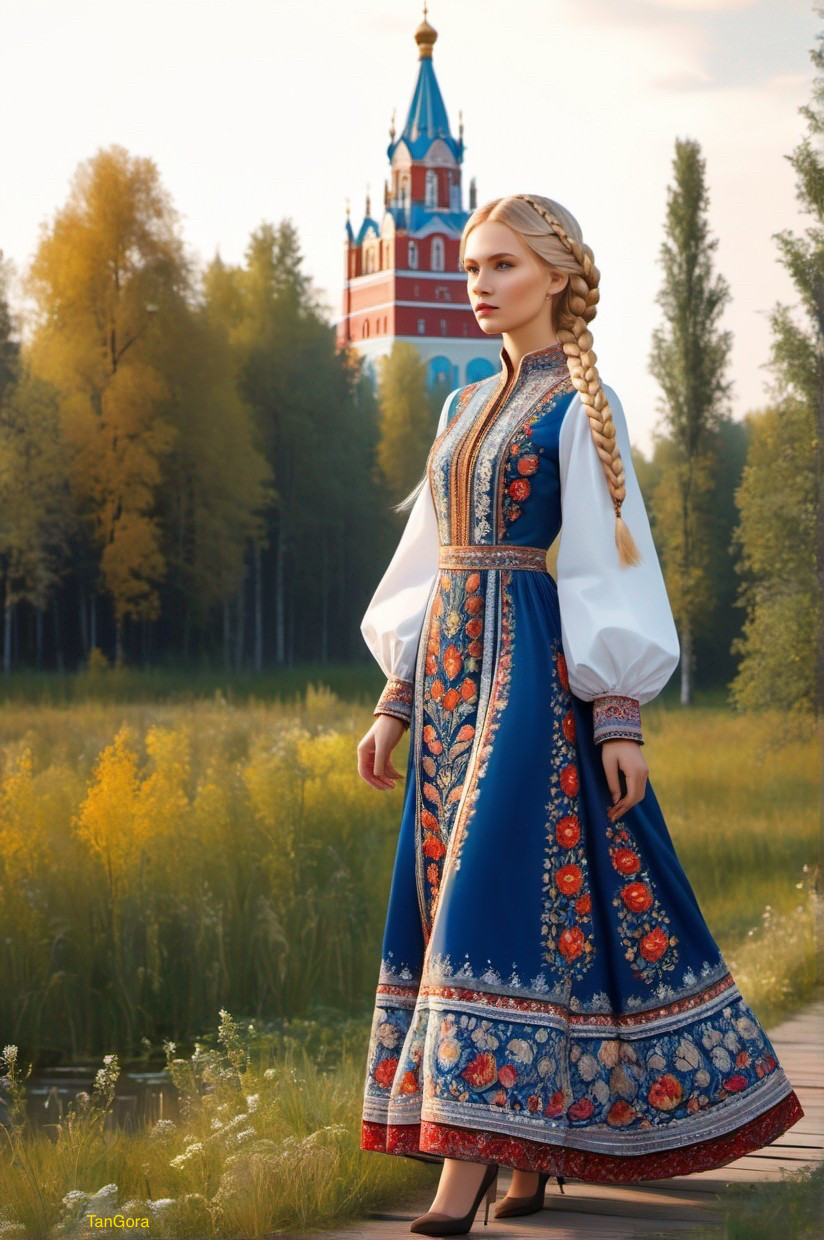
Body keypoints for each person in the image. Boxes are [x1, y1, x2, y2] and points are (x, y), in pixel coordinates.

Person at [356, 193, 803, 1237]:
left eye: (502, 265)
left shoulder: (579, 406)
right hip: (448, 687)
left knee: (484, 908)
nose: (479, 284)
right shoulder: (459, 406)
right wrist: (394, 700)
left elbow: (606, 564)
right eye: (471, 267)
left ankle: (462, 1174)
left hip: (525, 681)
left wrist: (617, 712)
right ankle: (526, 1155)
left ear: (555, 276)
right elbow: (420, 563)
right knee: (501, 908)